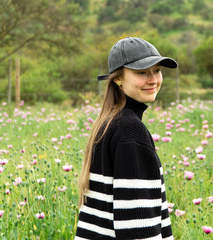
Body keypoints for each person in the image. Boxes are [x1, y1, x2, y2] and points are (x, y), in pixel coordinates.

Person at [75, 37, 178, 240]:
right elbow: (138, 226)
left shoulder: (109, 122)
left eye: (157, 70)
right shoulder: (130, 131)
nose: (153, 79)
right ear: (118, 78)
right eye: (141, 72)